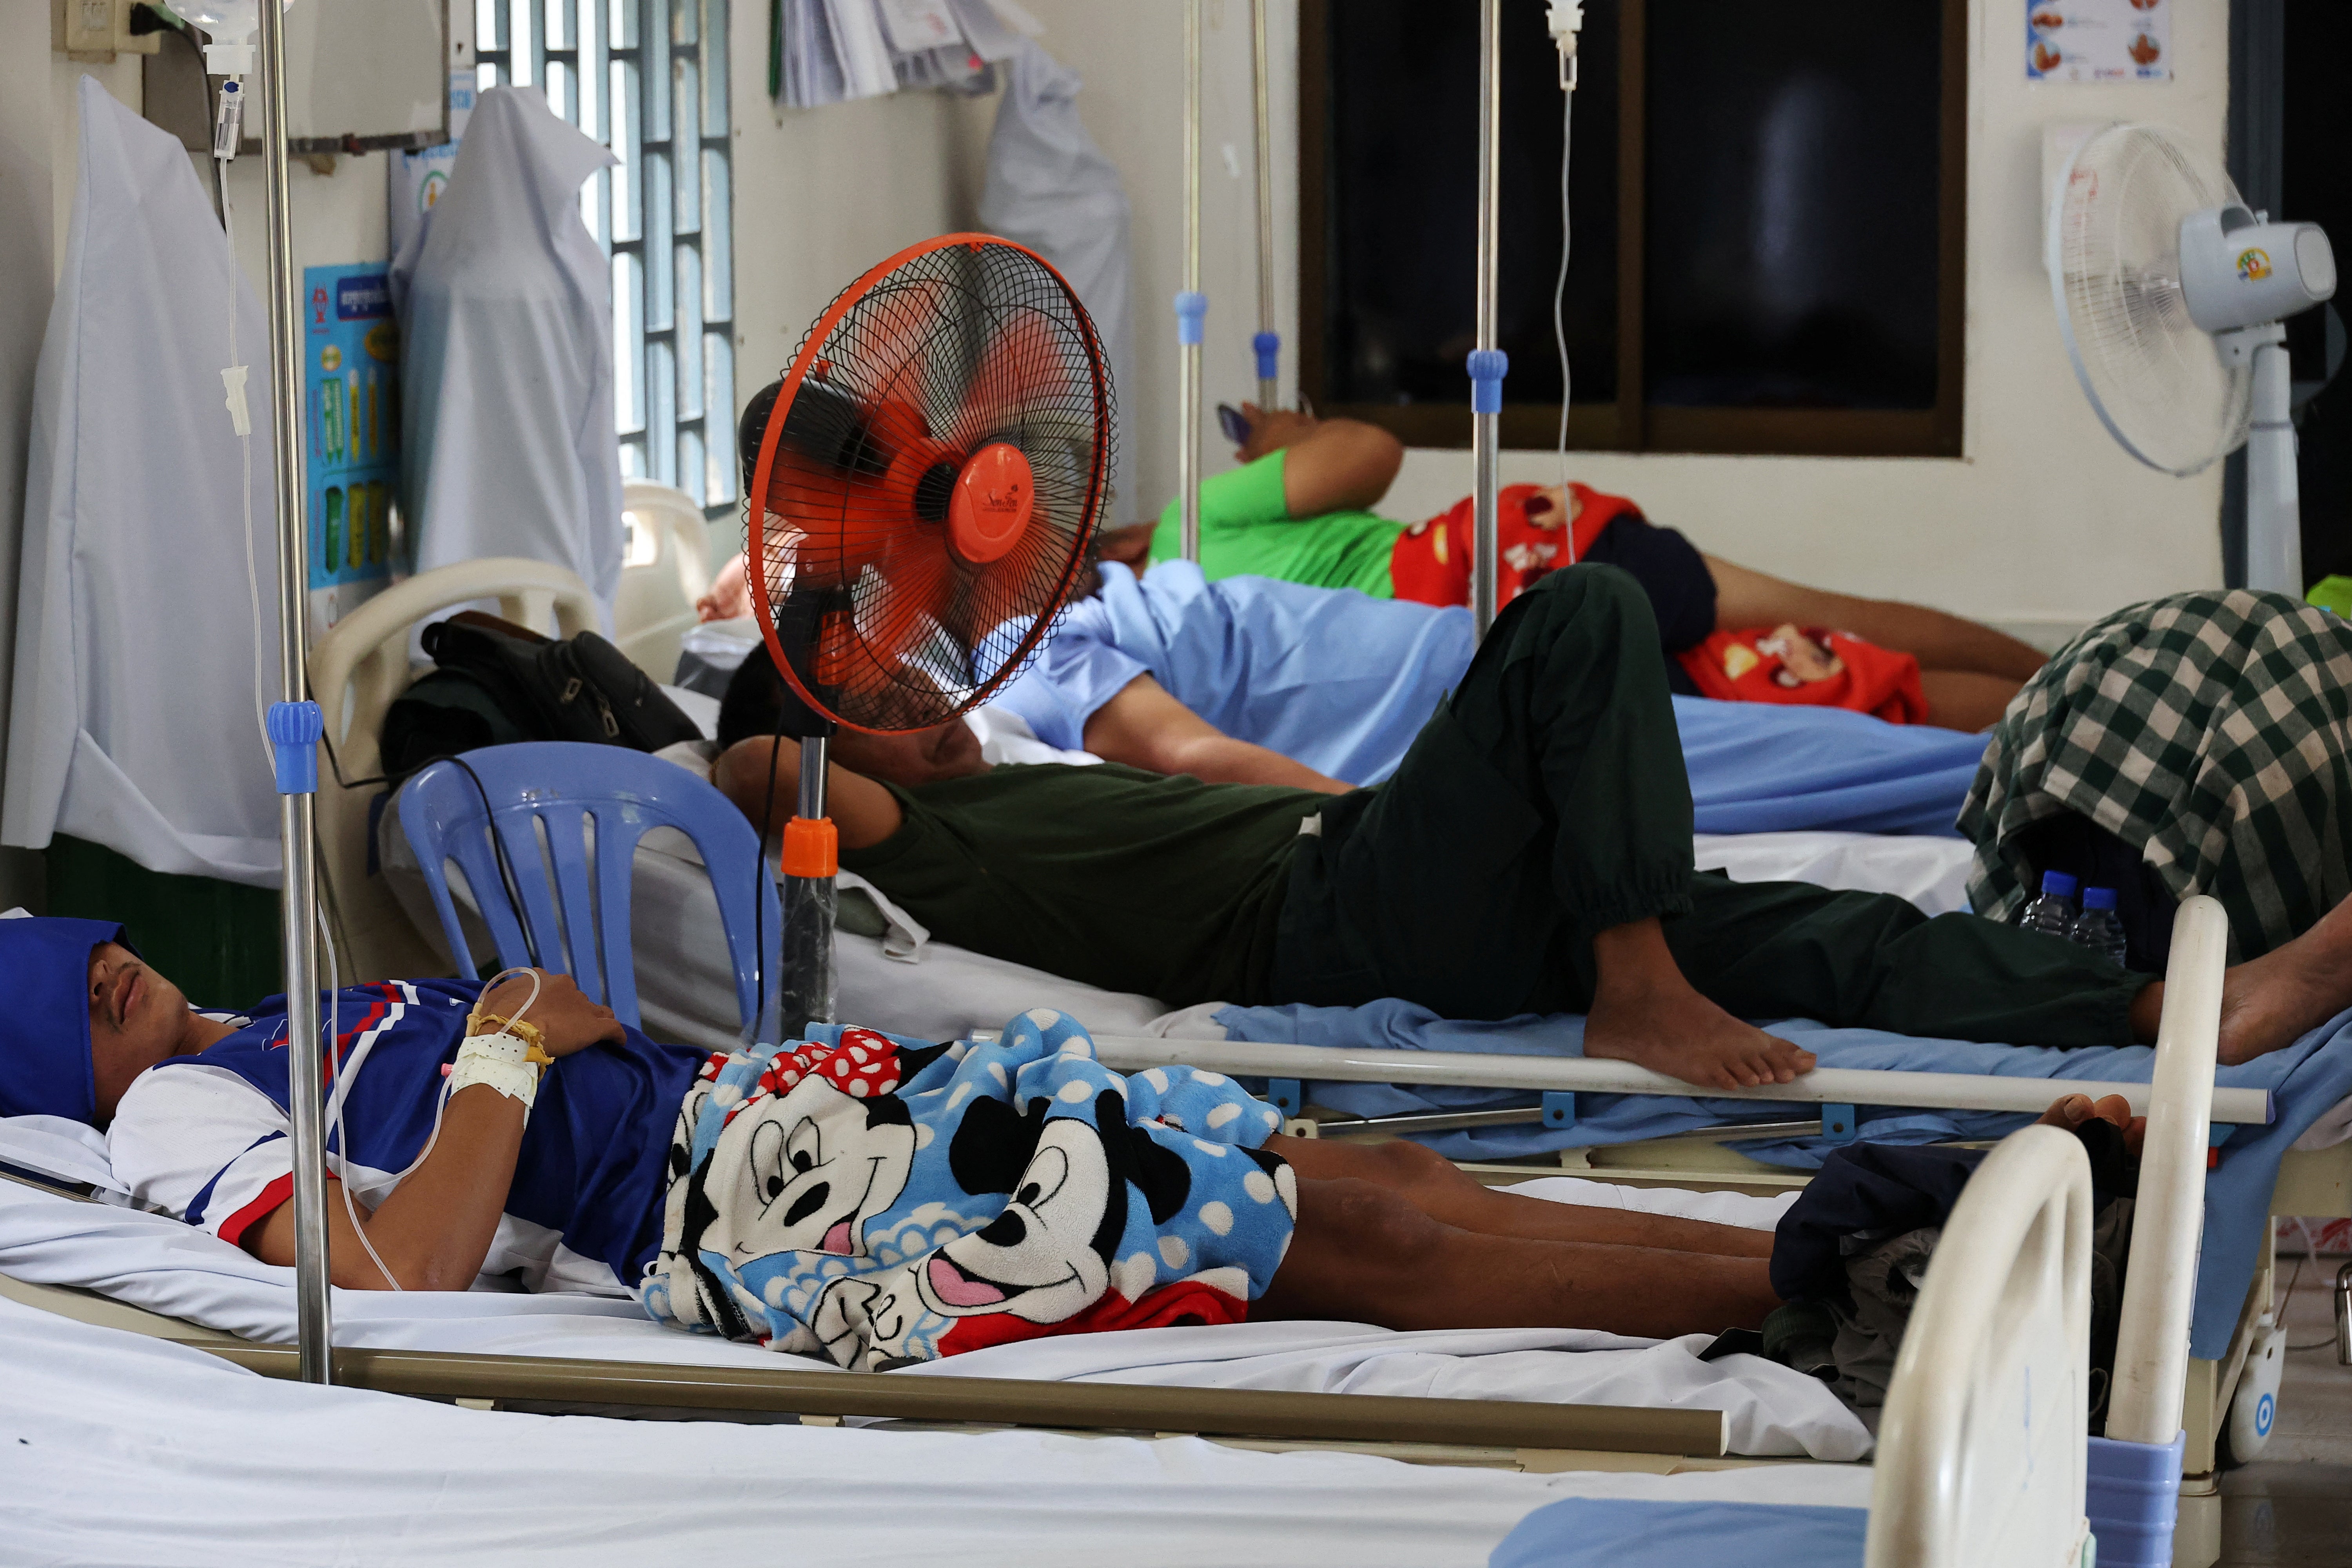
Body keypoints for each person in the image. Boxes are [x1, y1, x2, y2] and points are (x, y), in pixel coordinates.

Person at [713, 564, 2352, 1086]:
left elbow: (1217, 776)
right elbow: (751, 771)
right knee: (1585, 615)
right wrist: (812, 628)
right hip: (1324, 924)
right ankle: (1634, 976)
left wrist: (1392, 808)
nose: (927, 688)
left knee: (1818, 934)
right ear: (817, 727)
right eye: (873, 687)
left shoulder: (1013, 771)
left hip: (1365, 869)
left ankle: (2189, 1008)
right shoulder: (888, 839)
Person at [7, 915, 1786, 1351]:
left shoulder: (281, 1015)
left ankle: (1821, 1249)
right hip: (755, 1207)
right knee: (1353, 1237)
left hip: (779, 1105)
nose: (96, 970)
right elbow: (396, 1275)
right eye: (44, 995)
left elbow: (575, 1024)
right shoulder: (180, 1111)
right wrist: (500, 1051)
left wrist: (521, 1036)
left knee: (1375, 1178)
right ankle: (1840, 1282)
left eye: (76, 947)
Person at [1134, 403, 2049, 732]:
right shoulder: (1186, 522)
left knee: (1850, 682)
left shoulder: (1134, 652)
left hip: (1499, 662)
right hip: (1514, 572)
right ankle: (2068, 682)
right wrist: (1290, 437)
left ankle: (2061, 694)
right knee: (1844, 625)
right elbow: (1370, 450)